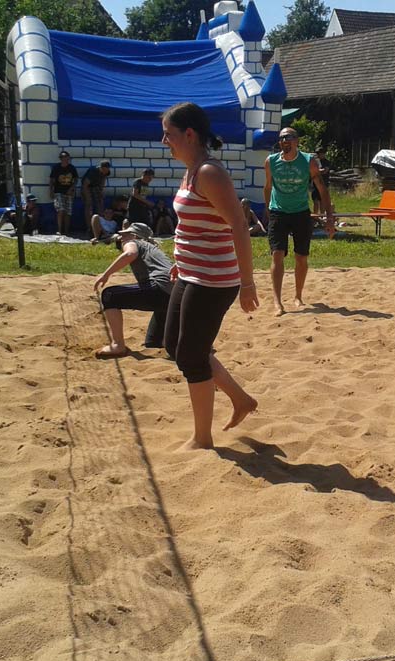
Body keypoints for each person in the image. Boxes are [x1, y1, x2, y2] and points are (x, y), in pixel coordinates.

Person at [161, 101, 260, 449]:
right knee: (174, 346)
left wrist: (247, 283)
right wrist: (182, 260)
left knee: (191, 355)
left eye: (169, 134)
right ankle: (241, 399)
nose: (164, 141)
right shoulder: (191, 170)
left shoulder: (208, 172)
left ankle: (202, 438)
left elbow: (239, 226)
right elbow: (198, 226)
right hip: (192, 272)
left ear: (189, 134)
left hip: (214, 280)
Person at [263, 126, 335, 317]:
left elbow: (322, 189)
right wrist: (268, 209)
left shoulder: (308, 161)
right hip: (278, 212)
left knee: (301, 257)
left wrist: (329, 218)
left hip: (300, 213)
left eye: (288, 137)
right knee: (277, 254)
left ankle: (298, 296)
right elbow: (268, 187)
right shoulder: (271, 162)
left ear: (296, 141)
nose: (284, 141)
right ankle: (277, 302)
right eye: (281, 138)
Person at [93, 222, 174, 357]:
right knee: (153, 343)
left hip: (159, 289)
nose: (121, 238)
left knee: (110, 295)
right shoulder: (154, 250)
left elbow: (130, 253)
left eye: (125, 235)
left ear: (135, 236)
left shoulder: (135, 242)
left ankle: (117, 345)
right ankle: (168, 342)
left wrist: (106, 274)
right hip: (173, 296)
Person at [49, 150, 78, 236]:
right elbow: (51, 180)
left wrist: (72, 188)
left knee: (68, 211)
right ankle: (59, 230)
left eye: (66, 157)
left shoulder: (72, 168)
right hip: (58, 191)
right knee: (60, 210)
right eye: (63, 157)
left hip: (69, 192)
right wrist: (51, 191)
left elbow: (76, 179)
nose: (65, 159)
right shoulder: (56, 168)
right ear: (60, 159)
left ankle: (66, 230)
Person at [81, 159, 111, 233]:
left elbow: (103, 180)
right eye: (104, 170)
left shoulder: (106, 172)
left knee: (100, 205)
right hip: (87, 187)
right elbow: (85, 185)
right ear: (101, 167)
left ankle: (100, 226)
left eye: (107, 170)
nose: (105, 171)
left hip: (96, 187)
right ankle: (89, 228)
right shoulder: (93, 171)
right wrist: (87, 197)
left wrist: (101, 191)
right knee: (89, 206)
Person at [311, 146, 331, 215]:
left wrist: (316, 171)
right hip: (314, 184)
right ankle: (315, 216)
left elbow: (325, 171)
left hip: (323, 183)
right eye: (318, 153)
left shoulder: (326, 162)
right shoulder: (315, 162)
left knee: (322, 201)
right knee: (315, 201)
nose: (319, 155)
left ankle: (322, 216)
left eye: (320, 153)